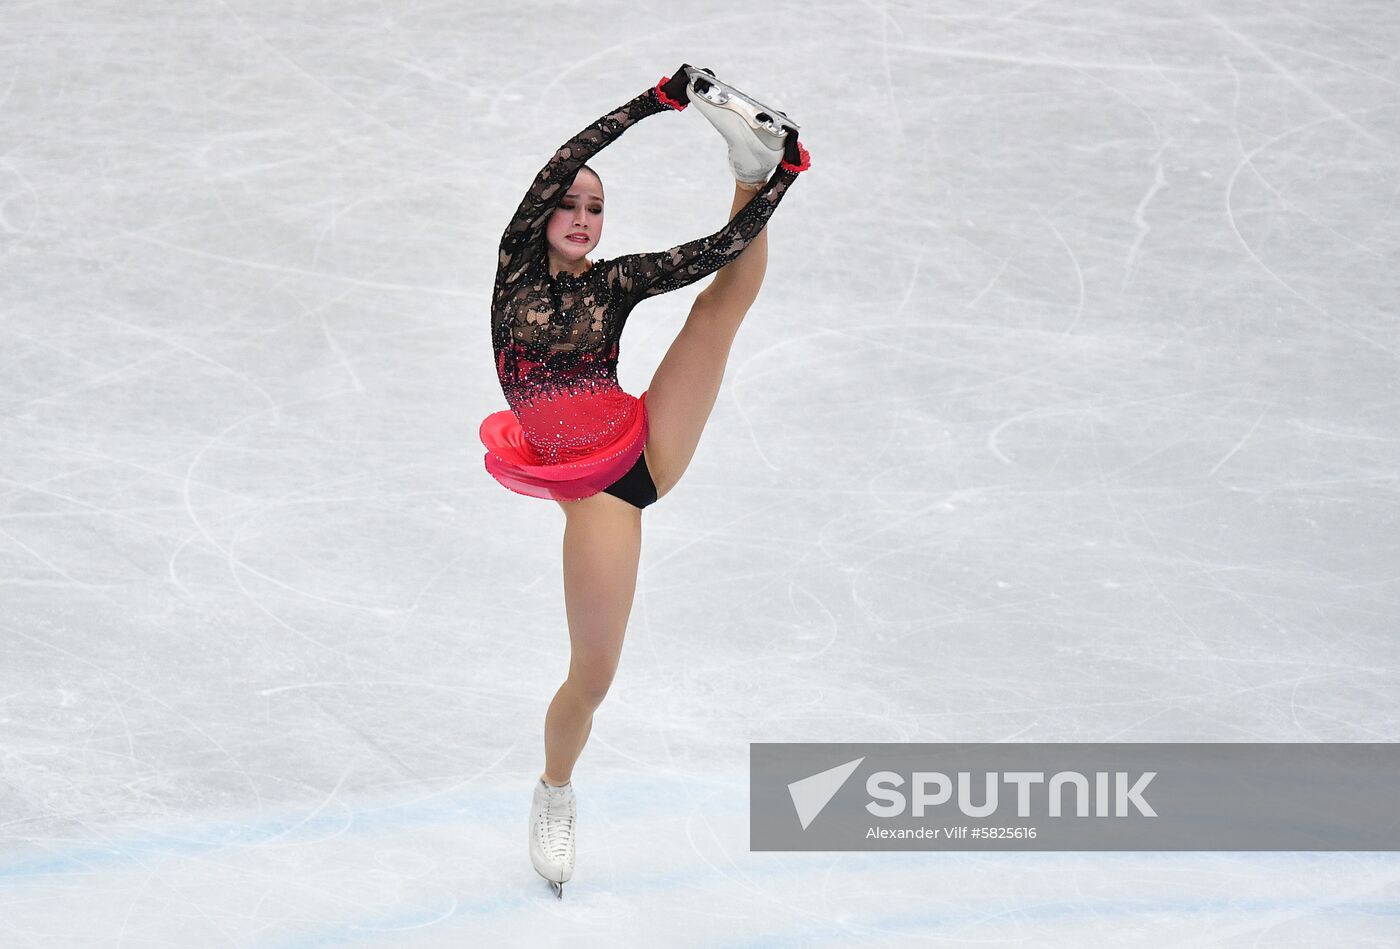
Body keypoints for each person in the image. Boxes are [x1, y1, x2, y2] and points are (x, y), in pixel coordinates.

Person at [478, 65, 811, 897]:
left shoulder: (614, 284)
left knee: (718, 309)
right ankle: (555, 789)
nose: (585, 218)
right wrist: (652, 103)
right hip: (595, 493)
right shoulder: (514, 272)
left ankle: (746, 160)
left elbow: (716, 254)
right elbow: (572, 151)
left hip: (642, 444)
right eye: (572, 203)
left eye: (597, 209)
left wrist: (775, 186)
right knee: (594, 676)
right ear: (543, 209)